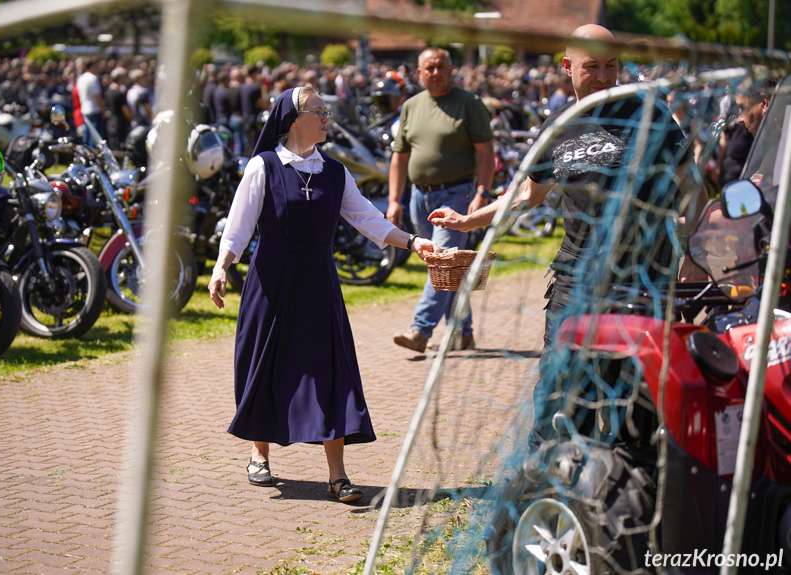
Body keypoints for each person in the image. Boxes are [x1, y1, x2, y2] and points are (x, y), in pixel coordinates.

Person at [427, 24, 707, 450]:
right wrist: (469, 221)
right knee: (560, 393)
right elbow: (526, 195)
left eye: (611, 66)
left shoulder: (646, 111)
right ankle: (545, 490)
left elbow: (694, 187)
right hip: (574, 278)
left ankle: (626, 497)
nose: (602, 76)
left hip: (643, 277)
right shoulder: (557, 126)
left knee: (635, 398)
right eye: (591, 66)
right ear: (567, 66)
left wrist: (691, 250)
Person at [207, 87, 439, 503]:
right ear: (295, 119)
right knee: (265, 365)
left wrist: (412, 242)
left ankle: (338, 475)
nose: (327, 117)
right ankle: (259, 454)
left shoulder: (334, 171)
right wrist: (222, 267)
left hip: (318, 282)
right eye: (320, 111)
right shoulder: (264, 167)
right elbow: (239, 225)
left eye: (326, 111)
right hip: (271, 283)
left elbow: (367, 217)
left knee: (332, 370)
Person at [387, 47, 494, 353]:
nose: (436, 73)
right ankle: (463, 331)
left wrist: (482, 194)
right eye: (429, 68)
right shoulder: (410, 106)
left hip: (457, 194)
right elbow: (399, 157)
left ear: (451, 70)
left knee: (444, 263)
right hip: (420, 197)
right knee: (444, 267)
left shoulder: (469, 103)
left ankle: (420, 331)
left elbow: (487, 153)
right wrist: (395, 200)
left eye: (441, 67)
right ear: (419, 73)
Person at [75, 59, 106, 146]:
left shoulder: (81, 78)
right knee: (95, 139)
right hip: (94, 111)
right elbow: (97, 97)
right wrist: (103, 111)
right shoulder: (93, 78)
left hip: (85, 110)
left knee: (87, 137)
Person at [104, 67, 132, 152]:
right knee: (118, 148)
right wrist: (131, 119)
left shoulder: (108, 91)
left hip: (110, 122)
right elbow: (125, 110)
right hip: (119, 123)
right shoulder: (118, 93)